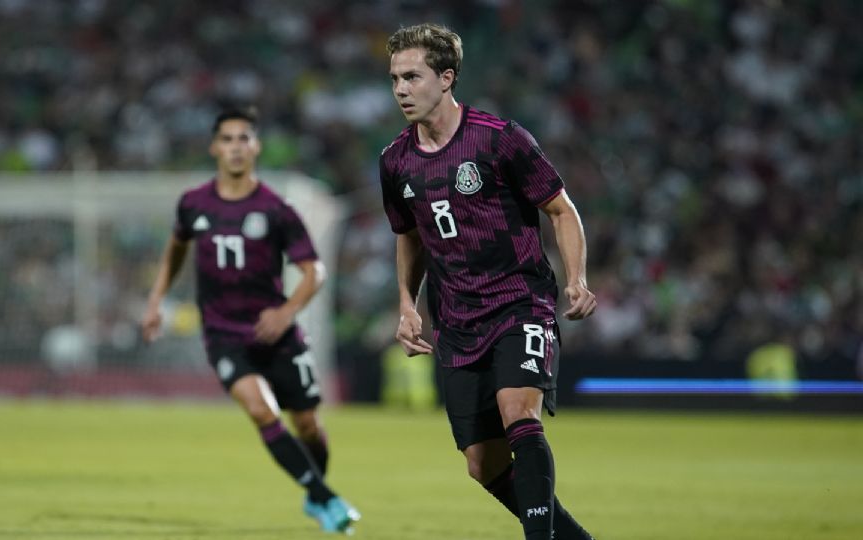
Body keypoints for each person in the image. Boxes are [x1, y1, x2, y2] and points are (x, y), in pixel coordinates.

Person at [379, 24, 598, 540]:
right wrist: (408, 305)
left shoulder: (500, 139)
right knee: (482, 463)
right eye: (394, 79)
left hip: (519, 303)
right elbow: (408, 234)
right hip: (456, 322)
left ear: (447, 77)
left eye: (412, 77)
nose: (401, 90)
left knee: (518, 414)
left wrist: (576, 279)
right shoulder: (394, 161)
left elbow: (560, 210)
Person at [142, 103, 359, 534]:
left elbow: (315, 271)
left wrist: (286, 312)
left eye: (244, 138)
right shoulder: (193, 204)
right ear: (214, 148)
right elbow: (176, 247)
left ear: (256, 147)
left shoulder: (277, 209)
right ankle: (327, 500)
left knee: (309, 425)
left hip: (276, 332)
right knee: (262, 409)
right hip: (224, 334)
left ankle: (314, 490)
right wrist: (155, 300)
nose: (236, 147)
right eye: (227, 139)